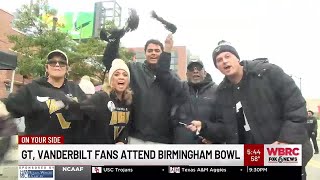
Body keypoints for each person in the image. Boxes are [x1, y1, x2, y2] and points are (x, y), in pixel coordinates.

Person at [187, 41, 313, 180]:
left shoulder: (267, 72)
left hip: (284, 155)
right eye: (219, 60)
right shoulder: (222, 92)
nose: (224, 61)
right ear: (217, 67)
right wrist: (204, 127)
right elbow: (227, 129)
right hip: (253, 159)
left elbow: (296, 107)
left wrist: (286, 140)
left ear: (237, 58)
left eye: (227, 56)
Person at [102, 35, 179, 144]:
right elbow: (112, 61)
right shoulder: (134, 69)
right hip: (135, 137)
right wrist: (115, 39)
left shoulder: (172, 77)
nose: (153, 53)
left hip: (162, 140)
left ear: (163, 53)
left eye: (157, 51)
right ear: (145, 53)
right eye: (150, 50)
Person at [0, 50, 87, 144]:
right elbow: (7, 107)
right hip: (40, 151)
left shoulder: (75, 89)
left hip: (70, 151)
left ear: (67, 69)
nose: (57, 65)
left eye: (62, 63)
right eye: (52, 62)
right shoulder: (32, 89)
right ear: (47, 67)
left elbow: (88, 115)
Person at [154, 34, 223, 144]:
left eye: (198, 68)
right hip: (181, 151)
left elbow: (224, 124)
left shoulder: (218, 91)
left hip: (207, 152)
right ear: (186, 74)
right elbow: (162, 74)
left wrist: (213, 137)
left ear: (204, 73)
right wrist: (167, 50)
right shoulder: (180, 87)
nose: (195, 71)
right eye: (191, 68)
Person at [66, 59, 132, 144]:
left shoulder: (128, 102)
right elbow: (76, 112)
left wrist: (122, 141)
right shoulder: (100, 98)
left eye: (125, 75)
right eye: (116, 74)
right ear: (110, 80)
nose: (121, 77)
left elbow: (126, 127)